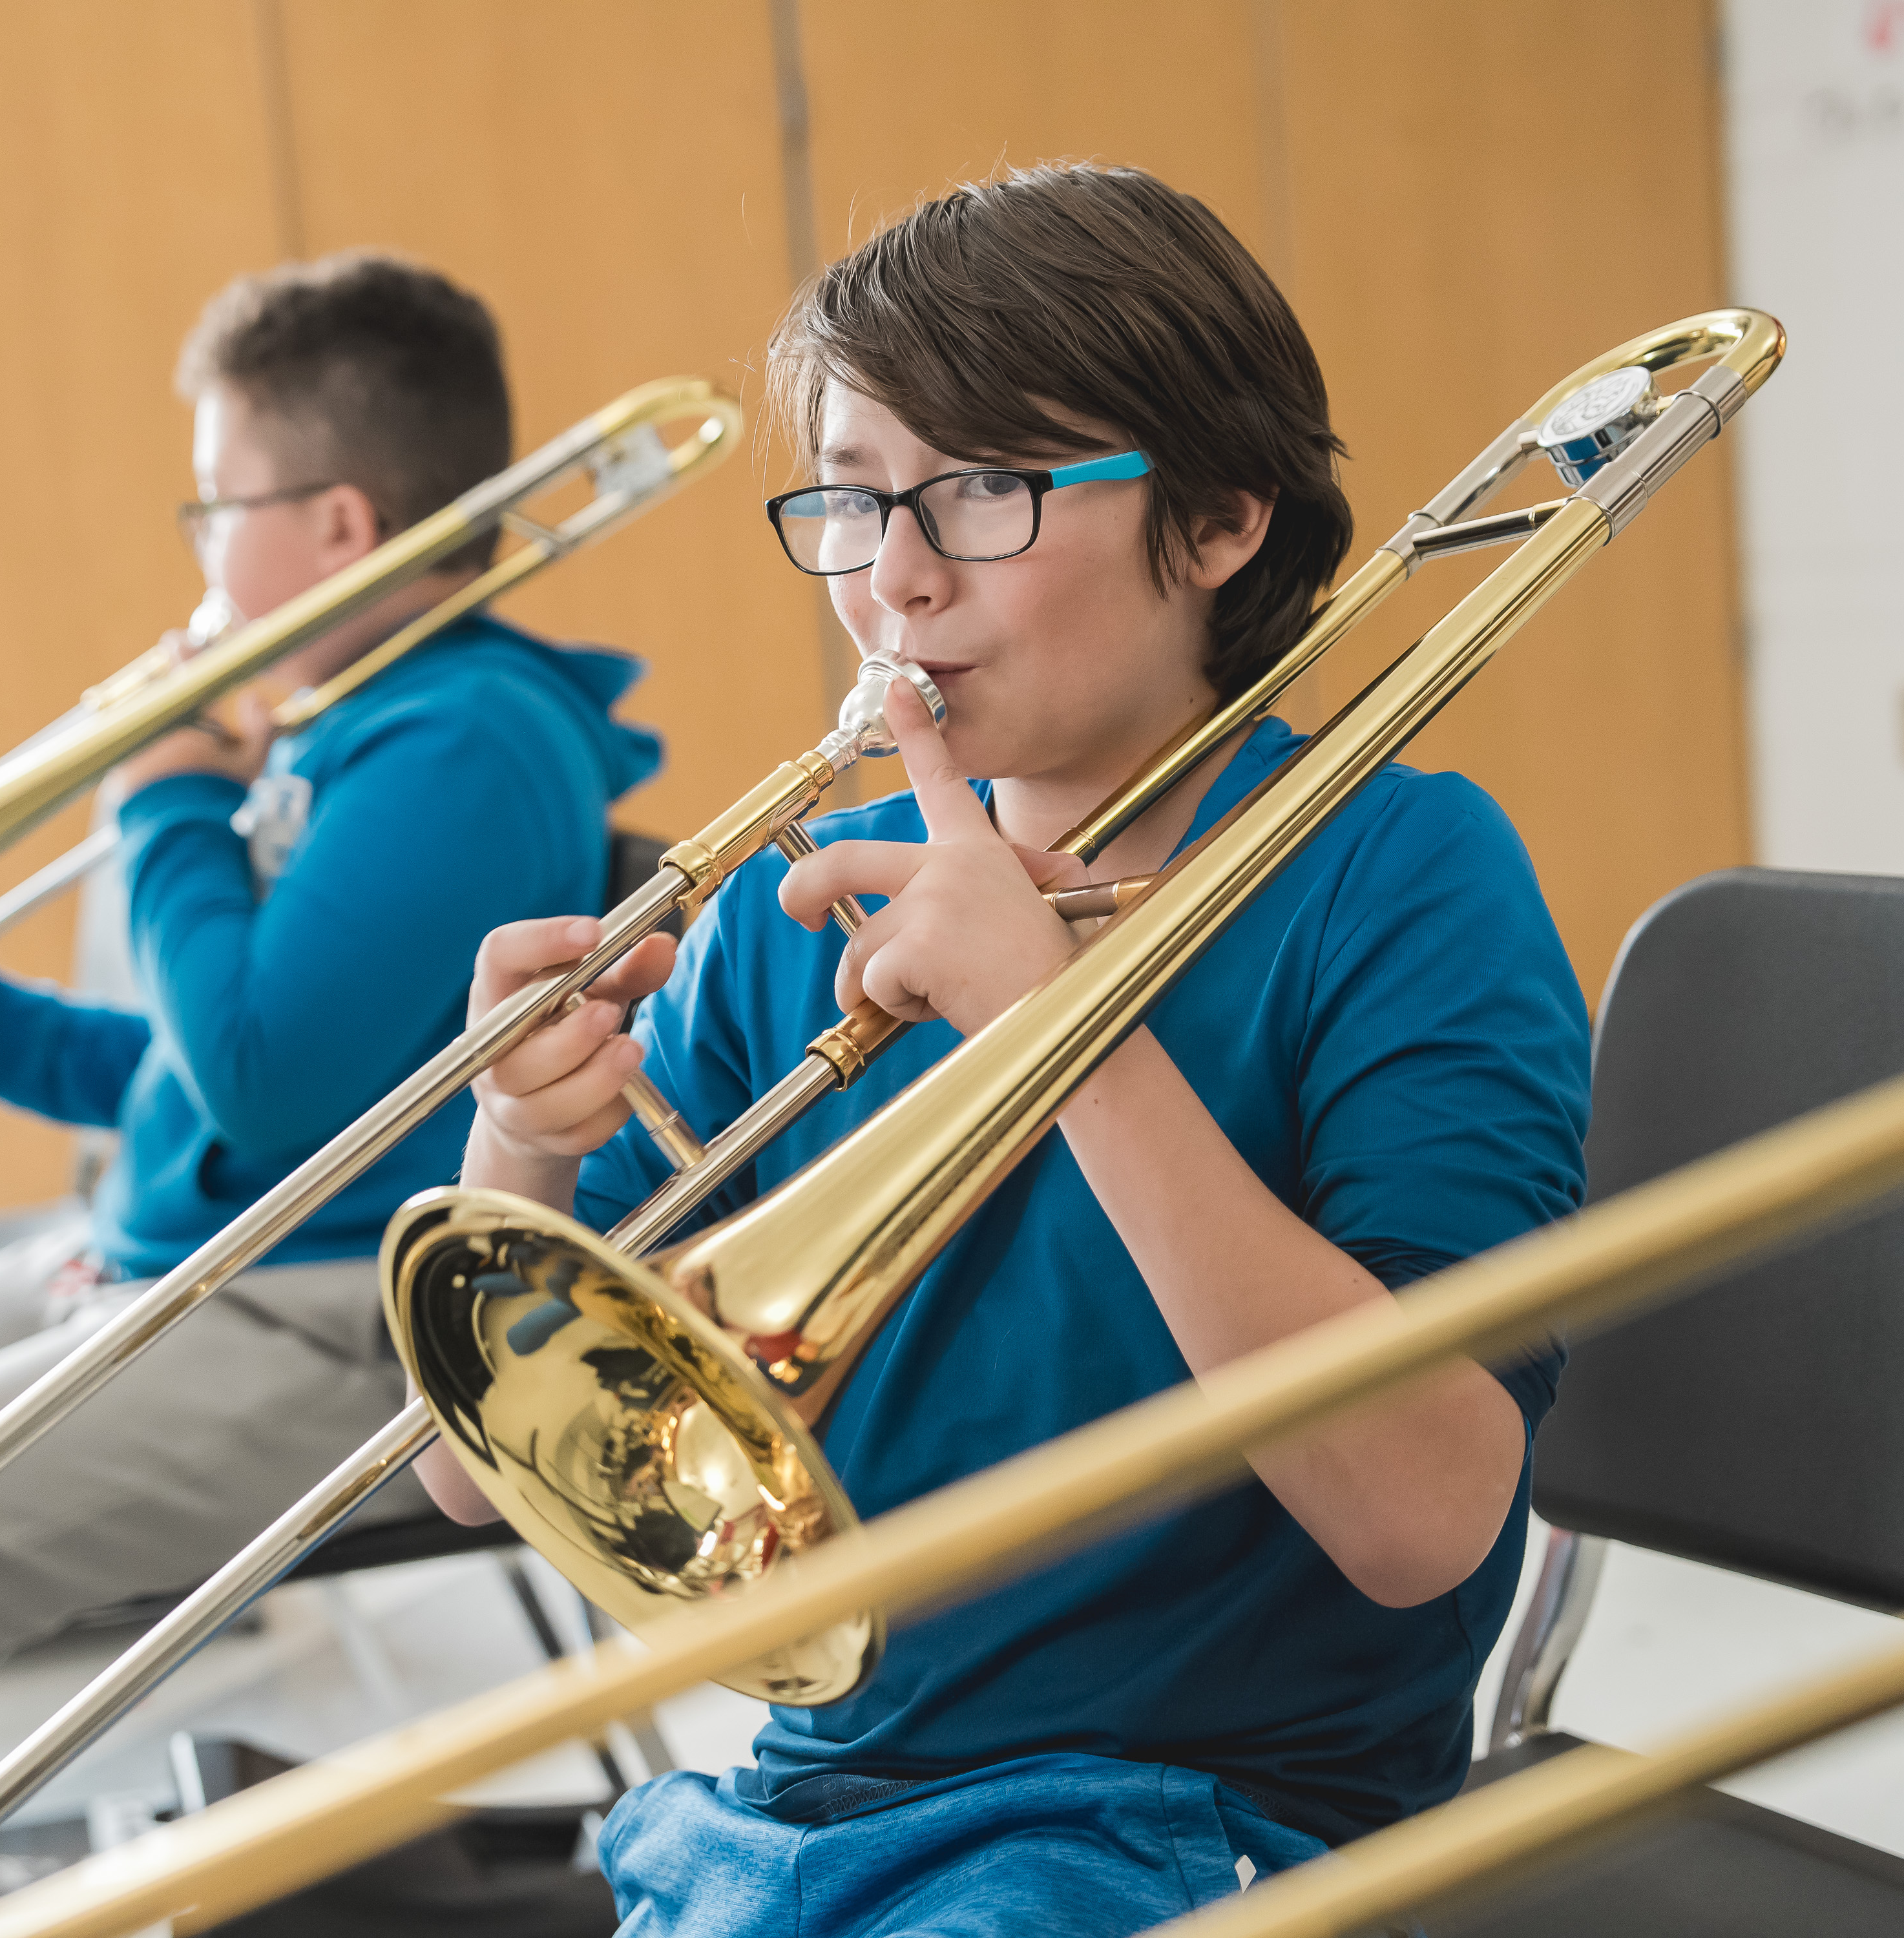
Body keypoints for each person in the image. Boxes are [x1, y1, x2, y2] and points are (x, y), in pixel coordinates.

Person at [421, 163, 1592, 1936]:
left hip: (1206, 1825)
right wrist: (519, 1143)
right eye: (848, 500)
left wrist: (1057, 1031)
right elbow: (477, 1469)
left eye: (978, 493)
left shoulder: (1399, 875)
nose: (890, 578)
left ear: (1216, 525)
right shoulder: (788, 911)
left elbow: (1422, 1520)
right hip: (805, 1813)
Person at [0, 251, 663, 1938]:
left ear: (339, 526)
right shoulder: (339, 725)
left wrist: (170, 804)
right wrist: (2, 1037)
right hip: (194, 1262)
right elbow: (224, 1082)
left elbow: (267, 1096)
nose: (194, 551)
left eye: (216, 508)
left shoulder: (462, 739)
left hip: (335, 1314)